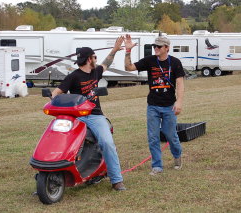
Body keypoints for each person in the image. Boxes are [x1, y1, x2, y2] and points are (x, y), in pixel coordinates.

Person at [52, 36, 126, 190]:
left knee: (107, 143)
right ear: (89, 59)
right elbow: (57, 92)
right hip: (76, 116)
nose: (96, 60)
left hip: (95, 115)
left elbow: (107, 63)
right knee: (57, 139)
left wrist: (114, 50)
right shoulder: (73, 76)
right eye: (94, 57)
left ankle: (116, 180)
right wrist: (54, 100)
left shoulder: (95, 72)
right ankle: (52, 176)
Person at [124, 34, 185, 175]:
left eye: (159, 46)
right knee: (153, 137)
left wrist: (179, 101)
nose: (155, 48)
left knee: (171, 135)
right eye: (154, 46)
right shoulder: (150, 61)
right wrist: (128, 51)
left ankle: (177, 156)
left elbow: (180, 83)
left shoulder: (175, 63)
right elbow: (129, 67)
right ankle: (157, 166)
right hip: (153, 106)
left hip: (169, 105)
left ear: (167, 48)